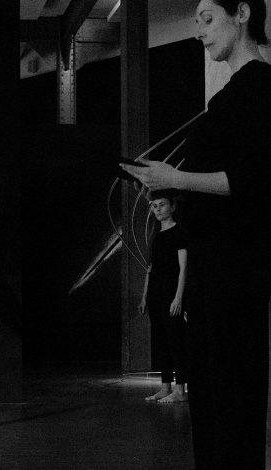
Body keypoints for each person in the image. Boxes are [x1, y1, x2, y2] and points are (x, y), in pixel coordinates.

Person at [121, 1, 271, 467]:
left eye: (208, 18)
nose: (199, 31)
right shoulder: (230, 94)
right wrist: (165, 183)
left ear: (241, 13)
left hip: (235, 266)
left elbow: (253, 179)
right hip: (214, 264)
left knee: (231, 390)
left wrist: (176, 178)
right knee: (211, 390)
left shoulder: (261, 86)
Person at [138, 193, 188, 404]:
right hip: (155, 294)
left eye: (162, 205)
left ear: (172, 207)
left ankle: (180, 390)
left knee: (175, 340)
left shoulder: (178, 232)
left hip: (170, 293)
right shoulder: (155, 234)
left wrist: (178, 297)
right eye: (154, 206)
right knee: (160, 341)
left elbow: (183, 268)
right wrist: (144, 296)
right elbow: (151, 268)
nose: (157, 209)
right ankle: (165, 387)